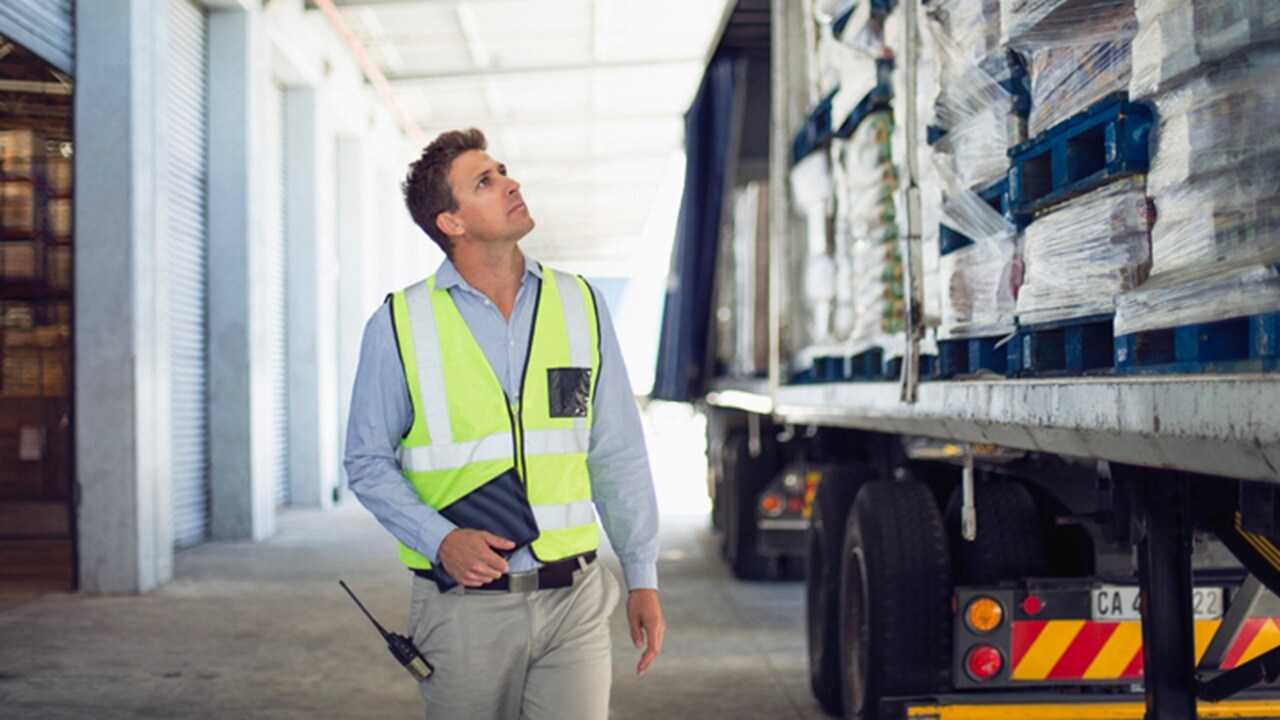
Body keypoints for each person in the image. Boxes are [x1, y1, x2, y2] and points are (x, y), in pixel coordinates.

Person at [343, 127, 664, 720]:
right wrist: (439, 539)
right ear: (452, 223)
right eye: (484, 182)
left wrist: (641, 573)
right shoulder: (399, 323)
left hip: (576, 600)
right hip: (464, 609)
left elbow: (616, 450)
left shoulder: (581, 305)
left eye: (504, 172)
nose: (510, 183)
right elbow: (366, 461)